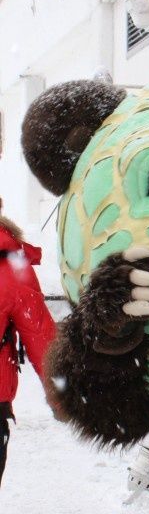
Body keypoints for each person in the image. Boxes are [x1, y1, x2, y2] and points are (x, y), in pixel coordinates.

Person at [0, 199, 56, 487]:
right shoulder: (11, 265)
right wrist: (61, 391)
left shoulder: (12, 265)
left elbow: (40, 337)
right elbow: (41, 337)